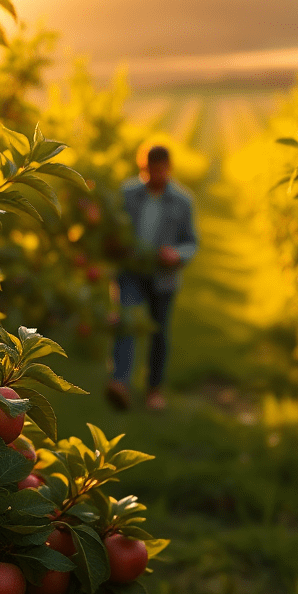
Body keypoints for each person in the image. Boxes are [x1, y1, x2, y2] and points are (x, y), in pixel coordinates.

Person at [107, 144, 197, 411]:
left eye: (158, 170)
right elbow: (113, 227)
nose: (152, 176)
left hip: (163, 276)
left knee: (159, 332)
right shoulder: (127, 193)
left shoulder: (182, 201)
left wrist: (177, 254)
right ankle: (120, 382)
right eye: (147, 170)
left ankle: (154, 390)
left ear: (168, 169)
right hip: (131, 270)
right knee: (126, 322)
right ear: (141, 167)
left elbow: (191, 242)